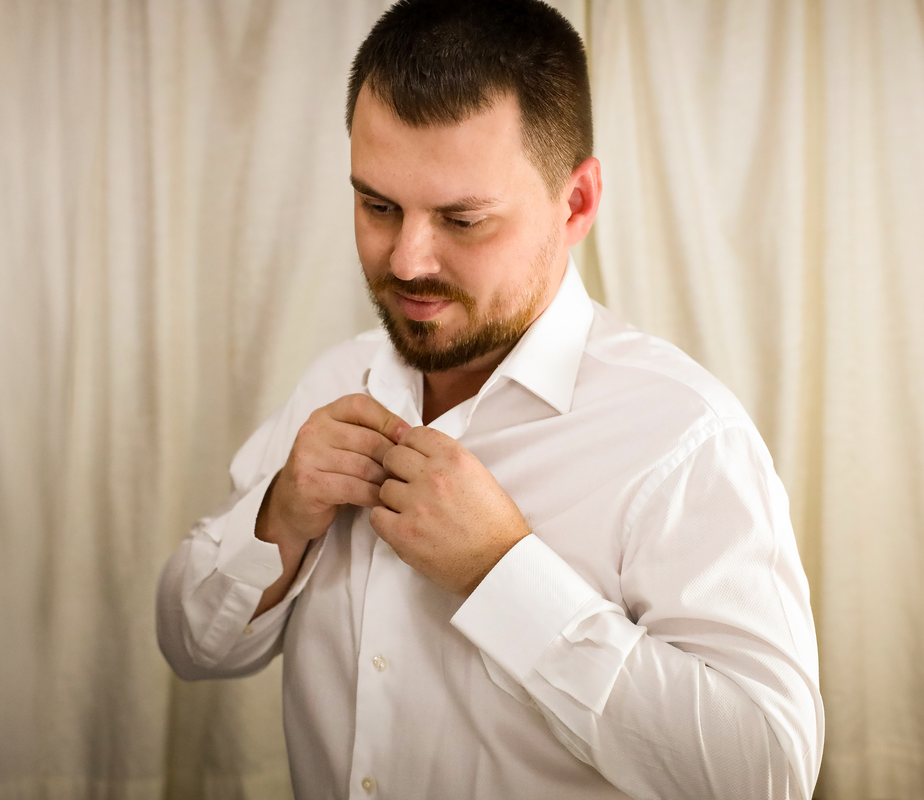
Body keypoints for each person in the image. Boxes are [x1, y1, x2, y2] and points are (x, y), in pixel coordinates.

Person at [156, 0, 824, 797]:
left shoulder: (682, 437)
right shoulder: (334, 383)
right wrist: (280, 516)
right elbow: (191, 646)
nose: (407, 260)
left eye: (462, 219)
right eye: (378, 206)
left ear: (576, 204)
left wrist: (502, 574)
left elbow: (768, 775)